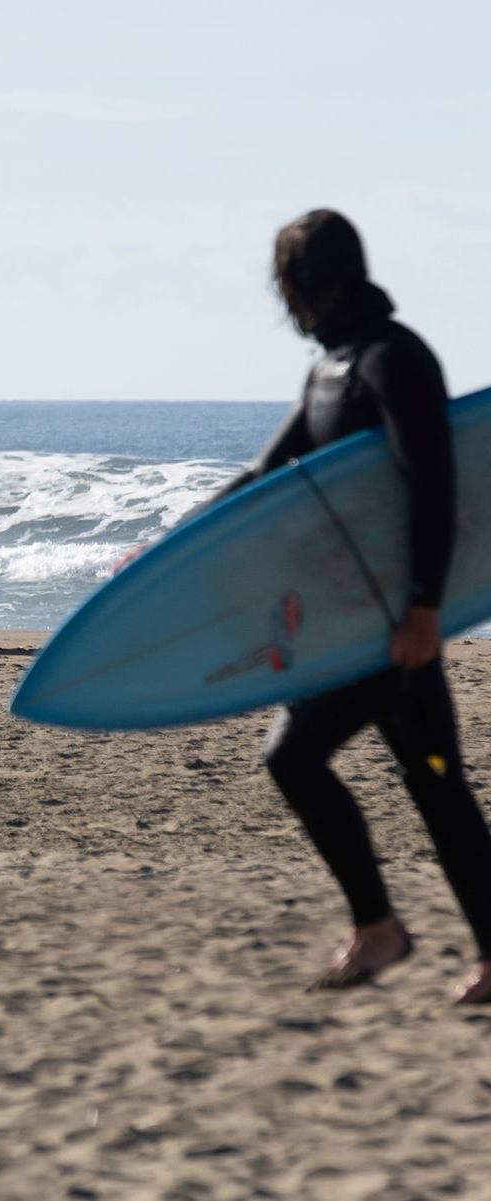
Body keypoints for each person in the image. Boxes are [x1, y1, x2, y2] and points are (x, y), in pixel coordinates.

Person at [223, 209, 491, 1002]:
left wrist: (423, 609)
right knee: (436, 782)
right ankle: (423, 938)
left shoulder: (393, 359)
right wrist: (166, 548)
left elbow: (434, 485)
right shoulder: (334, 369)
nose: (284, 299)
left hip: (392, 629)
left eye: (285, 282)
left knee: (295, 756)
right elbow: (265, 480)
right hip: (357, 624)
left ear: (304, 282)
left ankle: (378, 928)